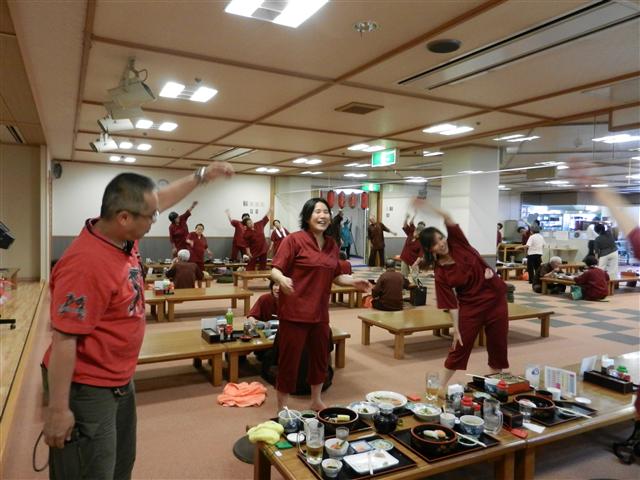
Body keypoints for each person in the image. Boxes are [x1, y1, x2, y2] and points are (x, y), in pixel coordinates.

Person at [41, 164, 233, 478]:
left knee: (120, 464)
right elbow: (64, 340)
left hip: (120, 377)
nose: (155, 220)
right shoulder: (85, 264)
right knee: (92, 471)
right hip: (89, 386)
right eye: (151, 217)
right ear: (124, 218)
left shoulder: (123, 236)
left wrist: (201, 176)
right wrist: (58, 410)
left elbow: (160, 199)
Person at [270, 198, 370, 411]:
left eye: (326, 212)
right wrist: (281, 279)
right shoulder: (293, 240)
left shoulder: (332, 244)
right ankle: (282, 407)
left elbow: (336, 275)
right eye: (317, 211)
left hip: (320, 313)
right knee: (289, 361)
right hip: (294, 313)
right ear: (307, 217)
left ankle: (316, 400)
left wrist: (353, 282)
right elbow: (275, 269)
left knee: (320, 358)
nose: (323, 216)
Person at [416, 199, 509, 387]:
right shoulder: (440, 272)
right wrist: (456, 330)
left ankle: (495, 384)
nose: (441, 244)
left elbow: (447, 217)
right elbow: (451, 304)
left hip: (495, 299)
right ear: (429, 249)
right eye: (435, 244)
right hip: (471, 305)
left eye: (440, 238)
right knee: (459, 345)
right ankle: (440, 387)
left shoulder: (458, 242)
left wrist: (427, 206)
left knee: (498, 344)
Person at [400, 212, 424, 277]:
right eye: (416, 232)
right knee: (403, 275)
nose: (416, 235)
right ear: (415, 230)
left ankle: (415, 282)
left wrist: (415, 264)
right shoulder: (411, 233)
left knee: (415, 276)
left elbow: (420, 256)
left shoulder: (421, 242)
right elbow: (405, 225)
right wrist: (406, 218)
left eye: (418, 235)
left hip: (414, 260)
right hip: (405, 258)